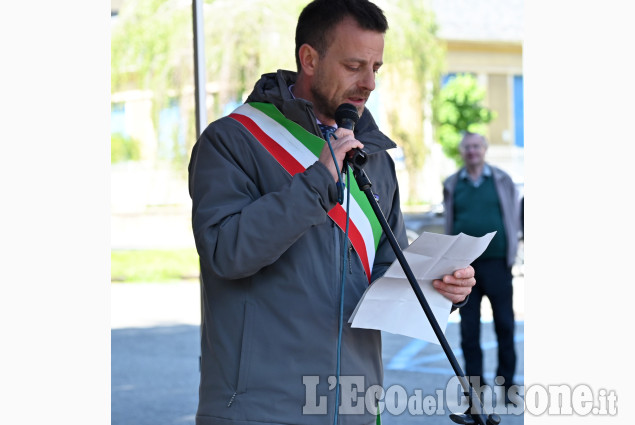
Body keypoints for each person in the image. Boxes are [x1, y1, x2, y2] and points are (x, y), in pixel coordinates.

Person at [189, 1, 476, 424]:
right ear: (309, 58)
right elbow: (225, 253)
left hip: (354, 407)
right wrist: (320, 178)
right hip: (262, 410)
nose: (369, 82)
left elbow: (382, 277)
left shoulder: (373, 158)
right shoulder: (232, 141)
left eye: (376, 67)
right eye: (354, 65)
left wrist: (438, 288)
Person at [442, 132, 520, 404]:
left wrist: (513, 251)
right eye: (467, 147)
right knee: (469, 331)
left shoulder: (501, 180)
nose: (472, 151)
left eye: (477, 146)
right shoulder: (452, 184)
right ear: (462, 152)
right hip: (464, 269)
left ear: (484, 150)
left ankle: (508, 387)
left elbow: (513, 215)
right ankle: (475, 390)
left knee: (505, 327)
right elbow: (450, 221)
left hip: (498, 264)